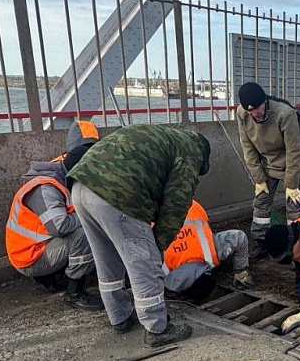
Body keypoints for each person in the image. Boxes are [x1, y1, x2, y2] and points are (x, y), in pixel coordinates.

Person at [67, 124, 211, 347]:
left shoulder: (163, 136)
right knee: (144, 262)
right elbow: (176, 204)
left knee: (107, 259)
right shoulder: (191, 151)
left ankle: (120, 317)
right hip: (117, 194)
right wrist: (158, 246)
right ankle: (158, 329)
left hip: (80, 186)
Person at [5, 123, 103, 311]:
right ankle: (75, 292)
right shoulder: (46, 187)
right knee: (84, 234)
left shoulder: (65, 165)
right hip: (30, 257)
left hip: (43, 245)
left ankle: (54, 275)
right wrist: (91, 214)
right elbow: (60, 227)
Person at [236, 82, 300, 243]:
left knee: (295, 208)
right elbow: (248, 148)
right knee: (260, 203)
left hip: (290, 164)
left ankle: (296, 248)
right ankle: (261, 242)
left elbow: (295, 150)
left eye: (257, 108)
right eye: (249, 110)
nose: (254, 114)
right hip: (266, 164)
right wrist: (259, 179)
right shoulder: (242, 114)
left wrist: (292, 184)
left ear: (264, 102)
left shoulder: (285, 114)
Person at [163, 200, 254, 302]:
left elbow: (239, 237)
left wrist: (240, 271)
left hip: (187, 205)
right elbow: (240, 237)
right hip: (185, 203)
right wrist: (240, 270)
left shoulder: (211, 252)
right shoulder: (159, 266)